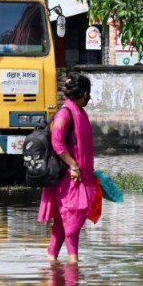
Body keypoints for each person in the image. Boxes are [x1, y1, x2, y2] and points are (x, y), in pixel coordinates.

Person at [38, 72, 95, 264]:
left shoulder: (80, 112)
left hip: (80, 176)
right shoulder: (66, 113)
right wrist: (74, 165)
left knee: (63, 222)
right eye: (89, 94)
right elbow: (57, 142)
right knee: (72, 219)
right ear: (84, 94)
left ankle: (51, 260)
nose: (89, 98)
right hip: (68, 176)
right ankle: (73, 264)